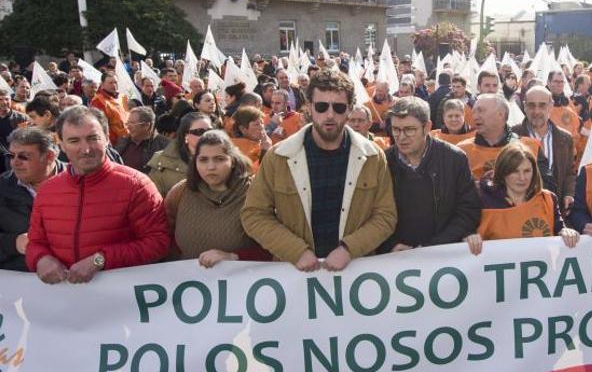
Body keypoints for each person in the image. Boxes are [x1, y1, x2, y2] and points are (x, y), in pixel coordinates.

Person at [241, 69, 396, 272]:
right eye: (322, 107)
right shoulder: (278, 157)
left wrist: (349, 249)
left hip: (355, 272)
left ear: (349, 109)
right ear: (310, 107)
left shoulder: (373, 157)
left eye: (339, 108)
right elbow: (254, 214)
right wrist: (295, 250)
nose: (330, 115)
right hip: (295, 274)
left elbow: (385, 216)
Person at [26, 106, 169, 283]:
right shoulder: (47, 190)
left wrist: (100, 260)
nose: (85, 149)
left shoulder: (137, 185)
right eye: (74, 141)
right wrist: (40, 258)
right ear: (61, 144)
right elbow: (35, 243)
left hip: (121, 299)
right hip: (62, 301)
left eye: (93, 138)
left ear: (107, 139)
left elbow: (158, 242)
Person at [381, 97, 481, 252]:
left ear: (427, 127)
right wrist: (390, 244)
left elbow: (468, 210)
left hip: (442, 256)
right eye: (396, 129)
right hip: (397, 260)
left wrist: (432, 248)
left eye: (409, 129)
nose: (401, 137)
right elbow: (373, 213)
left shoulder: (454, 159)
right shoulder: (383, 162)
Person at [164, 130, 269, 266]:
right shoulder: (180, 192)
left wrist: (234, 257)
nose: (211, 167)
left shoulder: (254, 193)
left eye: (219, 159)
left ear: (232, 160)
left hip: (243, 281)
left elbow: (274, 246)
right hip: (190, 283)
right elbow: (165, 236)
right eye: (203, 160)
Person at [465, 142, 579, 255]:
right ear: (503, 172)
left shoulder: (548, 199)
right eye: (515, 171)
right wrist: (469, 236)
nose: (522, 178)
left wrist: (566, 232)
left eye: (527, 171)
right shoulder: (481, 200)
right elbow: (466, 231)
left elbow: (559, 228)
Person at [0, 128, 64, 271]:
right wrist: (13, 243)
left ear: (49, 156)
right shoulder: (2, 187)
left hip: (75, 280)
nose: (14, 163)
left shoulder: (81, 183)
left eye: (24, 157)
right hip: (19, 282)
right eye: (11, 156)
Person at [456, 94, 546, 186]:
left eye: (480, 111)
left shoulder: (530, 147)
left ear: (500, 114)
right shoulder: (462, 150)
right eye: (474, 112)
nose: (475, 117)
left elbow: (547, 186)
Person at [512, 86, 576, 211]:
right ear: (524, 106)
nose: (536, 111)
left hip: (555, 211)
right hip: (522, 210)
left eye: (542, 105)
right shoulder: (512, 136)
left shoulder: (565, 138)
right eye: (531, 105)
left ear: (551, 106)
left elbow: (569, 172)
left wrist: (569, 194)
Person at [147, 112, 211, 196]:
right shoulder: (162, 162)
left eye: (210, 131)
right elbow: (155, 200)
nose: (206, 135)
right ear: (185, 135)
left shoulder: (226, 158)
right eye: (199, 131)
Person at [114, 106, 169, 173]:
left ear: (146, 125)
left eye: (132, 123)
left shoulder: (165, 146)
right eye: (128, 123)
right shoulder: (123, 141)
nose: (128, 127)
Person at [88, 71, 129, 145]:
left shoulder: (123, 97)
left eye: (115, 82)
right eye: (110, 83)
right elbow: (99, 126)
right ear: (102, 84)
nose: (114, 85)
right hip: (115, 143)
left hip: (128, 138)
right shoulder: (98, 101)